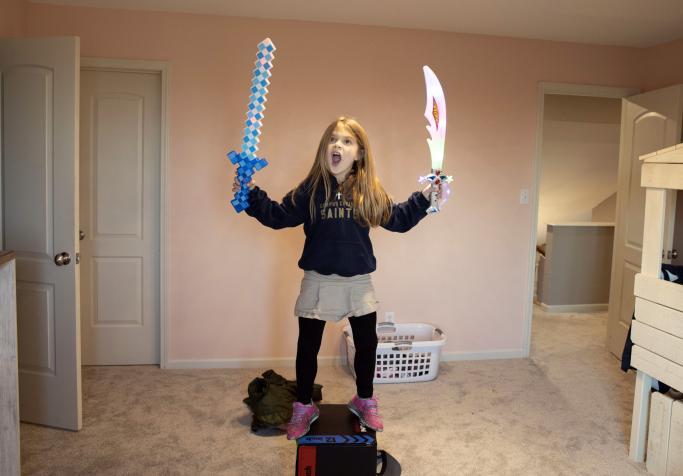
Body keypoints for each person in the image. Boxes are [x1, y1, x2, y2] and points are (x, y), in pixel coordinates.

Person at [233, 116, 441, 440]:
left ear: (359, 153)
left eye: (346, 141)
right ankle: (304, 405)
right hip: (317, 279)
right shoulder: (312, 189)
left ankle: (364, 398)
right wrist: (250, 194)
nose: (337, 145)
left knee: (367, 344)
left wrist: (427, 197)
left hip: (358, 281)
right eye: (332, 139)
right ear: (324, 148)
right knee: (307, 347)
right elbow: (278, 215)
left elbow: (398, 219)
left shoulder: (368, 190)